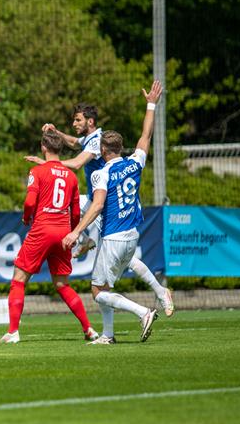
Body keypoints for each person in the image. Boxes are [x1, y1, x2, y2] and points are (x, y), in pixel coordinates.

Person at [27, 102, 174, 317]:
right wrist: (56, 132)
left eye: (78, 120)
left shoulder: (97, 144)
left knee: (66, 202)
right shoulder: (96, 141)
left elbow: (77, 163)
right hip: (112, 207)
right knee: (128, 259)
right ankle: (160, 292)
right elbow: (76, 143)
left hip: (106, 204)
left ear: (90, 121)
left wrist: (47, 163)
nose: (74, 123)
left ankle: (84, 239)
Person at [63, 80, 164, 344]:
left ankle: (143, 312)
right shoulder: (135, 162)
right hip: (133, 235)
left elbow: (96, 206)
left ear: (103, 151)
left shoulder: (101, 174)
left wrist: (76, 232)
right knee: (106, 286)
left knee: (97, 291)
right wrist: (151, 104)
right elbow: (146, 136)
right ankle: (108, 334)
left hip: (113, 237)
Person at [0, 130, 99, 344]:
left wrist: (27, 218)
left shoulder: (37, 171)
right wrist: (72, 234)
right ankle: (89, 329)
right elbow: (74, 211)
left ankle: (13, 332)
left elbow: (29, 203)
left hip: (42, 229)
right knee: (62, 283)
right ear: (60, 148)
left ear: (44, 148)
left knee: (19, 279)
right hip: (64, 232)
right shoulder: (71, 176)